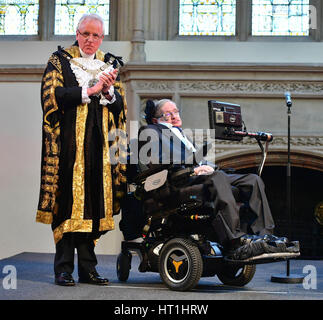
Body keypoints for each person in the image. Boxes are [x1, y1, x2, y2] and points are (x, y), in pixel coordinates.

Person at [121, 99, 299, 261]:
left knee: (252, 180)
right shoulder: (150, 131)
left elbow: (198, 160)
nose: (175, 116)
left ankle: (264, 237)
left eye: (176, 112)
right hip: (174, 183)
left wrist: (209, 167)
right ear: (155, 120)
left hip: (197, 178)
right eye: (168, 114)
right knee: (217, 178)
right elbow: (157, 163)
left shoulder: (183, 136)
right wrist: (194, 169)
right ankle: (234, 242)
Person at [36, 14, 127, 286]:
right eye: (85, 34)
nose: (90, 40)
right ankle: (63, 268)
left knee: (93, 206)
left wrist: (108, 92)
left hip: (99, 150)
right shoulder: (59, 61)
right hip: (68, 148)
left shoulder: (108, 63)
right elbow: (52, 97)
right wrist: (92, 89)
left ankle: (88, 268)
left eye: (95, 35)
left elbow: (119, 107)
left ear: (102, 37)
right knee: (67, 206)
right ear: (77, 33)